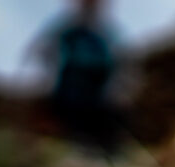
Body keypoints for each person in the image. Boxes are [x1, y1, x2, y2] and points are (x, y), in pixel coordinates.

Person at [32, 0, 123, 152]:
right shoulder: (68, 30)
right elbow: (44, 50)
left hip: (97, 97)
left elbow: (118, 61)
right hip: (69, 95)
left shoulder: (106, 33)